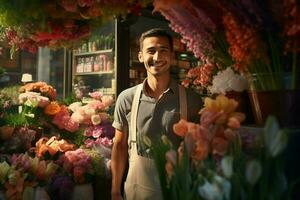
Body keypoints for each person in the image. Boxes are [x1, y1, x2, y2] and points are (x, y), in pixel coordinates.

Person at [111, 28, 202, 200]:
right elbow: (119, 145)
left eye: (163, 51)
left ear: (172, 56)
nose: (157, 57)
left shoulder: (191, 100)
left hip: (178, 191)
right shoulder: (127, 98)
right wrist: (115, 191)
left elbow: (199, 150)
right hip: (137, 189)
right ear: (140, 56)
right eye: (151, 51)